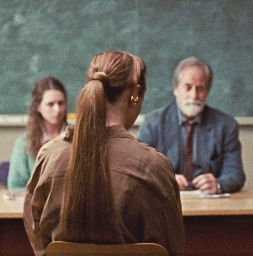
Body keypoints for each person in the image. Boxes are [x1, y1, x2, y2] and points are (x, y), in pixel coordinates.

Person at [23, 51, 185, 256]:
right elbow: (171, 248)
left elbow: (39, 239)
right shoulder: (154, 166)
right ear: (135, 93)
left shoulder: (49, 156)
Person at [138, 56, 246, 194]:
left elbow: (235, 174)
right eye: (188, 87)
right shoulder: (153, 123)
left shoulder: (226, 125)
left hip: (210, 206)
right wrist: (165, 180)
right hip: (165, 202)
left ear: (207, 91)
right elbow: (141, 169)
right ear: (176, 89)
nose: (194, 95)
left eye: (200, 89)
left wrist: (218, 184)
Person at [7, 76, 67, 190]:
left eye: (61, 103)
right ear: (38, 107)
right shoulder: (24, 143)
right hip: (36, 206)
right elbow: (15, 186)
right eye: (50, 104)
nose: (57, 109)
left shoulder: (78, 138)